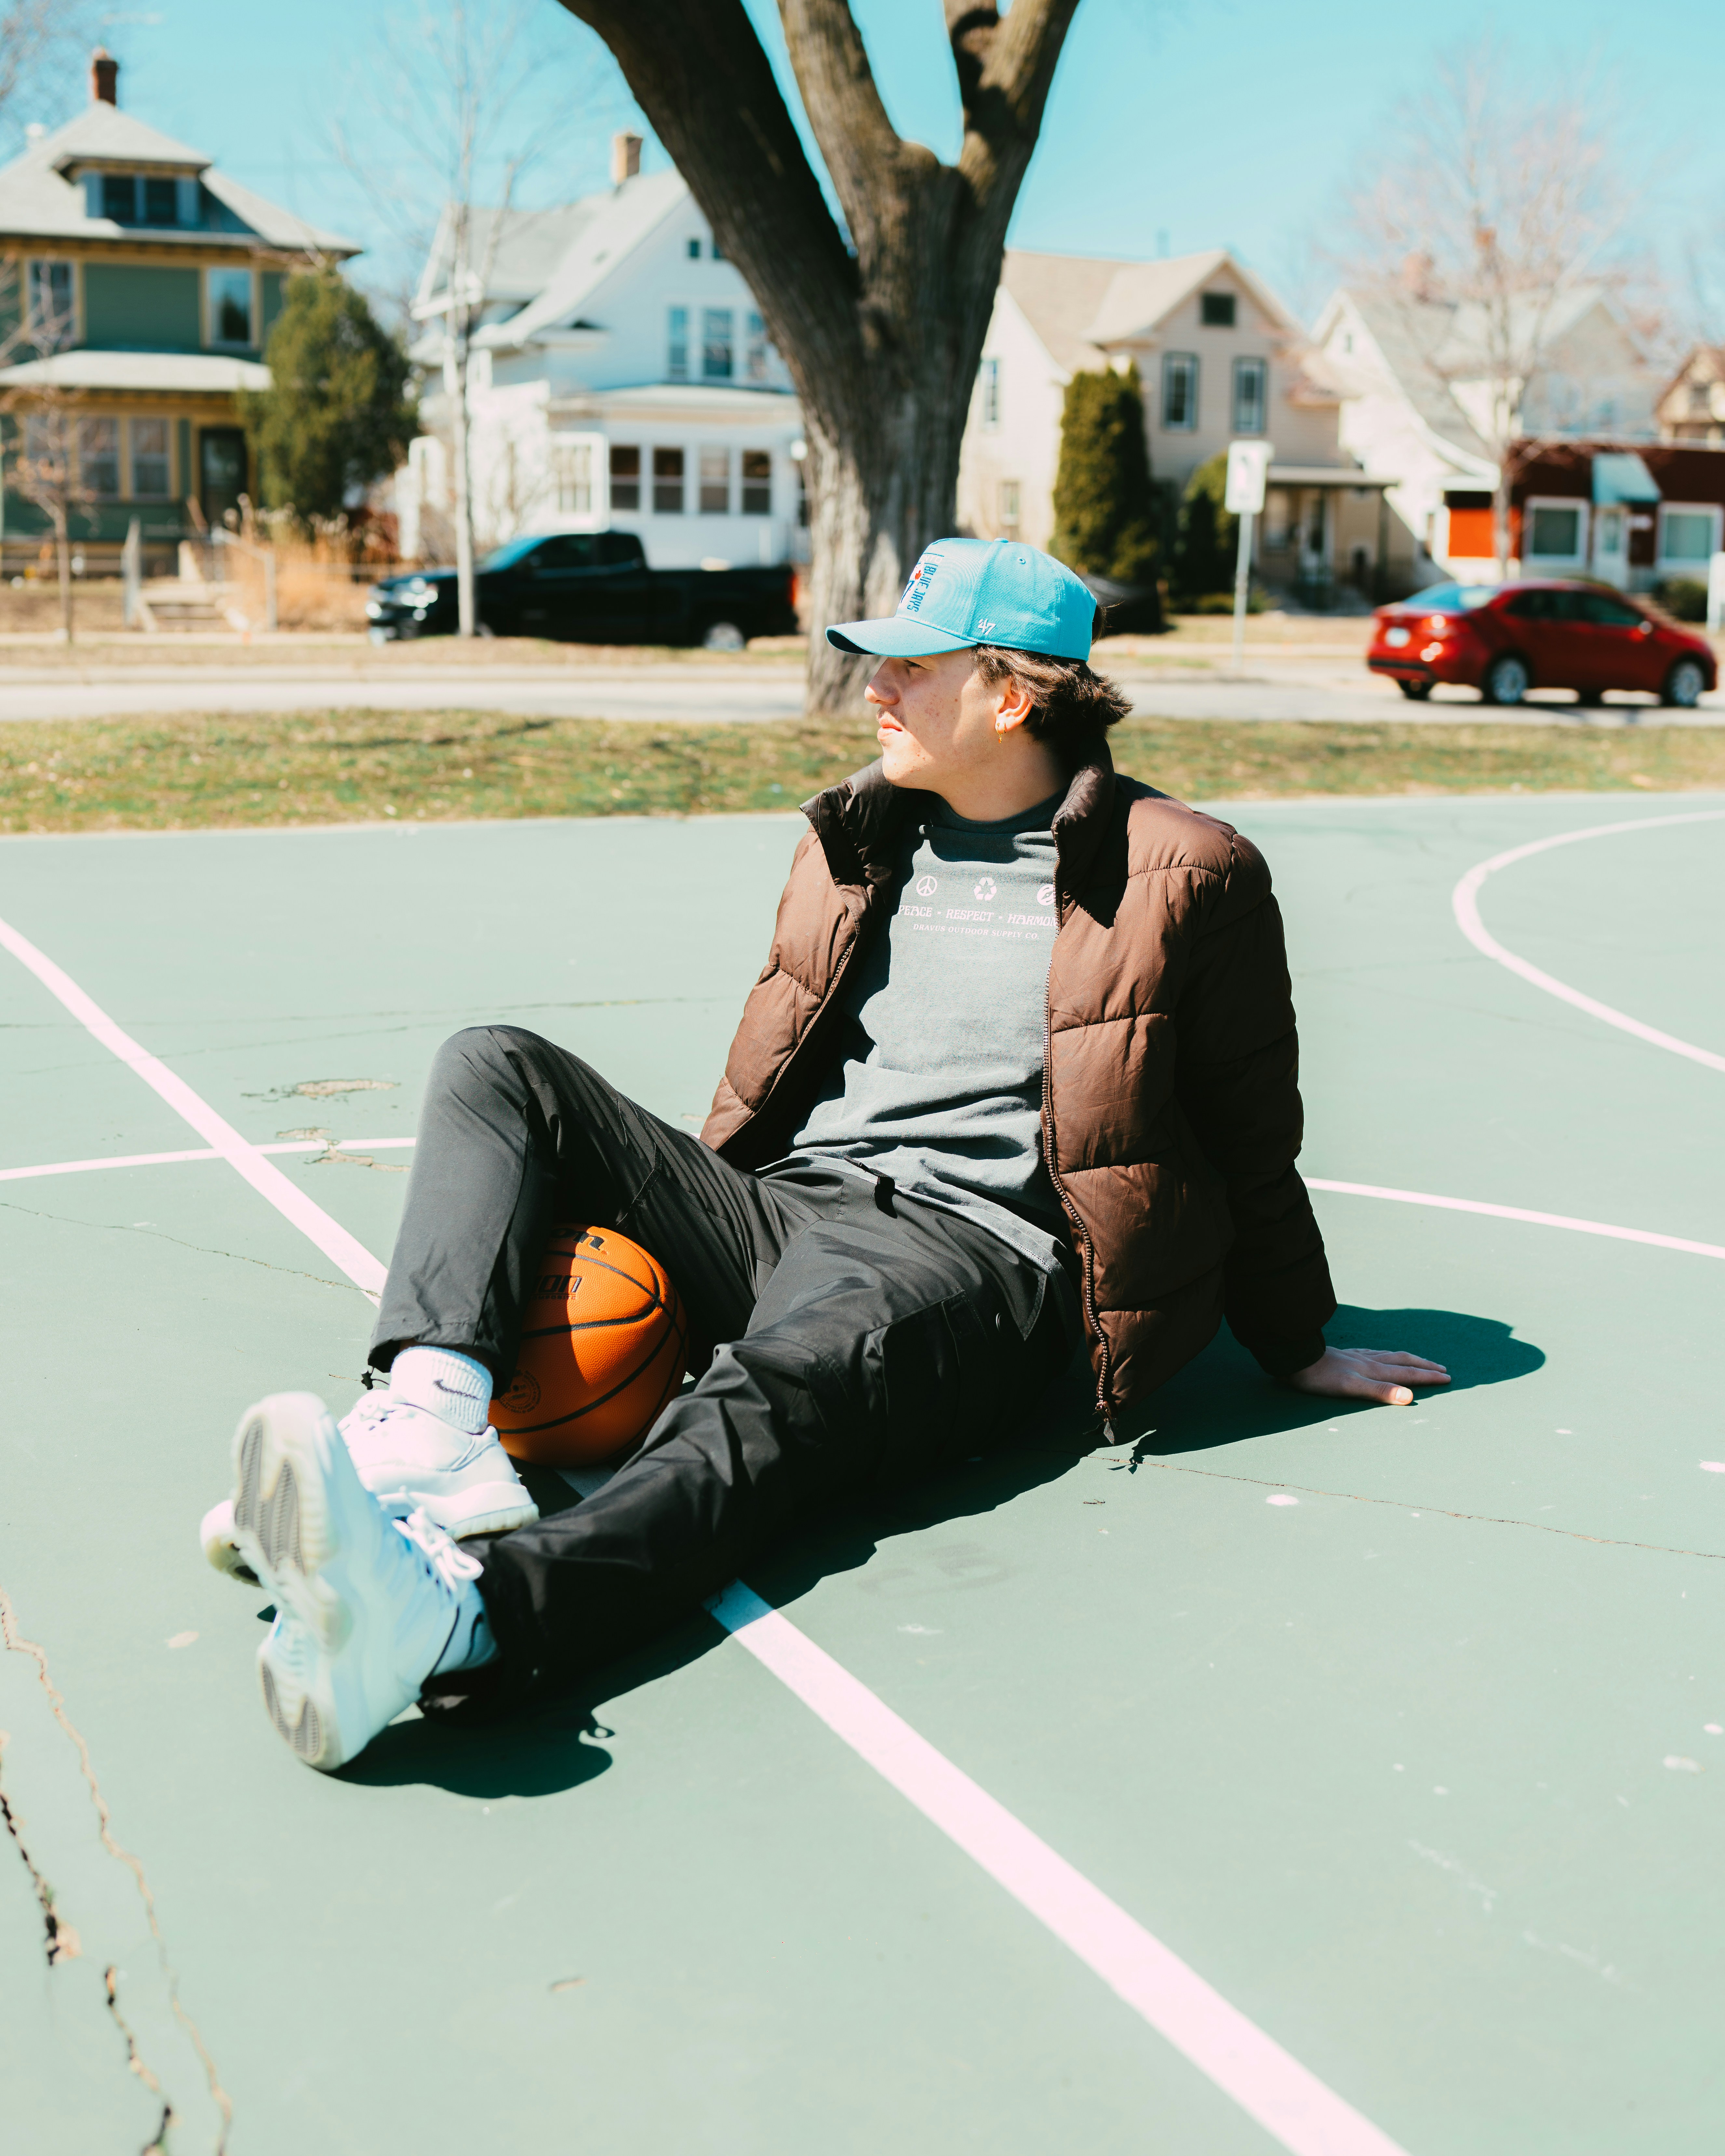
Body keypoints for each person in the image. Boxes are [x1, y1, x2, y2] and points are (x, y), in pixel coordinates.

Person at [203, 538, 1448, 1771]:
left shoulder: (1186, 872)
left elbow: (1250, 1131)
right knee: (497, 1063)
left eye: (912, 667)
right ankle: (428, 1428)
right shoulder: (857, 836)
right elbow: (767, 1077)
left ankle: (467, 1621)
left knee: (765, 1395)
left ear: (1012, 695)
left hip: (970, 1264)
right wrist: (688, 1226)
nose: (874, 687)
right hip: (785, 1206)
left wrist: (1297, 1341)